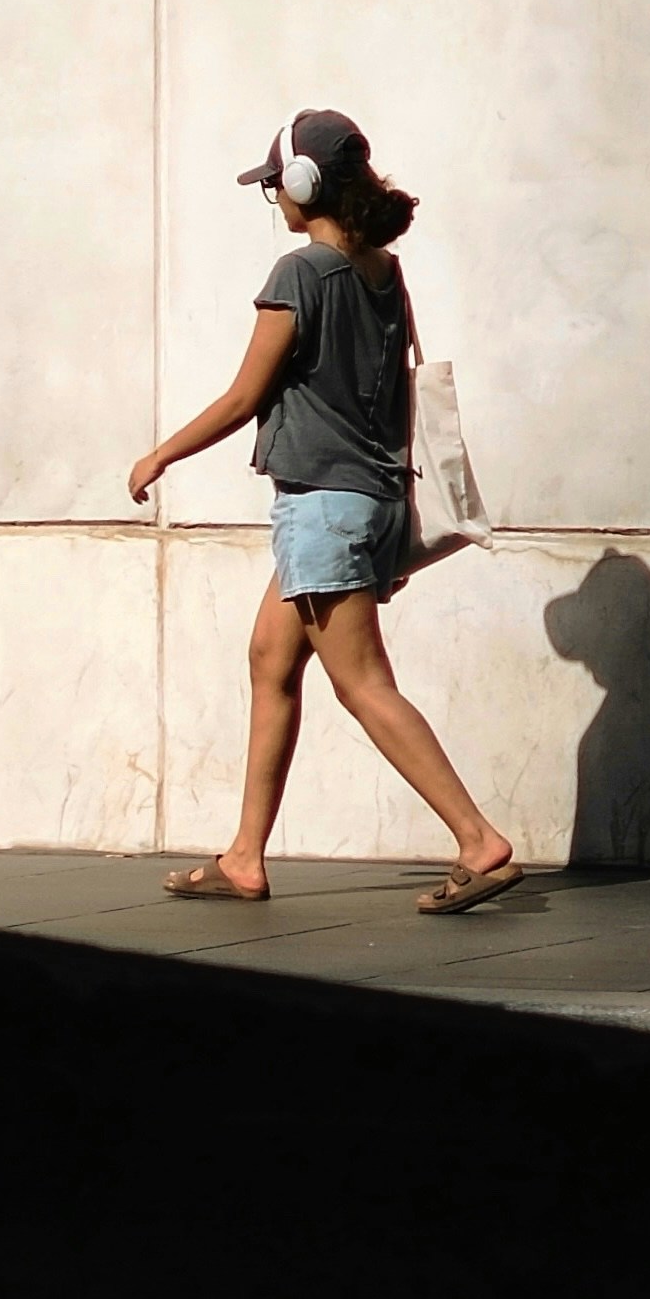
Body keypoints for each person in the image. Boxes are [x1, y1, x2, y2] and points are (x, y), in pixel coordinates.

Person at [125, 106, 517, 909]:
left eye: (275, 186)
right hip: (368, 502)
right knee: (270, 660)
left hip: (322, 511)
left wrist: (161, 454)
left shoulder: (299, 274)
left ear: (303, 185)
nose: (276, 200)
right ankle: (243, 857)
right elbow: (395, 397)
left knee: (362, 684)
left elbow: (243, 397)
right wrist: (387, 522)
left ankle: (478, 841)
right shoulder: (383, 273)